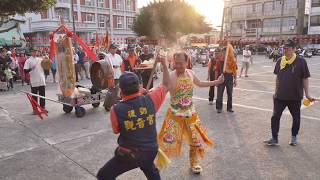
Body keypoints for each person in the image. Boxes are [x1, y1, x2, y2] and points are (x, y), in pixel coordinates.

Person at [97, 54, 170, 180]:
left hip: (131, 155)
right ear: (138, 86)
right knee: (148, 167)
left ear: (121, 90)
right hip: (151, 150)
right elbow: (166, 83)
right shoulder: (151, 99)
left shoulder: (116, 109)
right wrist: (164, 63)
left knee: (103, 175)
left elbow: (116, 131)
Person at [158, 52, 224, 174]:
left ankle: (194, 163)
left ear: (186, 62)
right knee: (166, 141)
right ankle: (156, 164)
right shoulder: (172, 75)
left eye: (180, 63)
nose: (177, 65)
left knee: (194, 140)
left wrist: (217, 82)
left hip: (190, 115)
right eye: (175, 62)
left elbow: (201, 83)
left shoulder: (191, 73)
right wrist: (164, 65)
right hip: (174, 116)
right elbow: (165, 85)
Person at [264, 40, 314, 146]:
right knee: (275, 116)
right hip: (280, 96)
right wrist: (276, 91)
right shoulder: (279, 60)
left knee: (296, 118)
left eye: (288, 48)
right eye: (284, 48)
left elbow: (305, 78)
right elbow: (278, 77)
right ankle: (274, 138)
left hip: (295, 96)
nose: (285, 50)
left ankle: (293, 136)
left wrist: (307, 94)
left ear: (294, 49)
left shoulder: (301, 61)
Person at [24, 48, 47, 113]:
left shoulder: (40, 59)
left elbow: (46, 67)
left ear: (37, 52)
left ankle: (43, 108)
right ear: (31, 52)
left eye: (35, 51)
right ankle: (35, 109)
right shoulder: (28, 61)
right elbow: (25, 71)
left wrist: (47, 60)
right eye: (33, 51)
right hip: (34, 80)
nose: (34, 53)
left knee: (42, 95)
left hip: (41, 80)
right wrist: (31, 68)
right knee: (34, 96)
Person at [216, 47, 238, 113]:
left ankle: (229, 108)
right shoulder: (219, 60)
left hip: (229, 78)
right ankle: (219, 108)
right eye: (223, 52)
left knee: (230, 94)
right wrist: (216, 81)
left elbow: (235, 71)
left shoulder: (232, 61)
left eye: (226, 52)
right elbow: (216, 71)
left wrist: (235, 79)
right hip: (221, 79)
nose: (224, 53)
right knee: (219, 94)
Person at [103, 44, 123, 111]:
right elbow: (106, 66)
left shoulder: (118, 56)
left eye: (115, 48)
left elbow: (121, 64)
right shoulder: (107, 56)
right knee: (111, 91)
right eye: (113, 48)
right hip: (111, 76)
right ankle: (107, 105)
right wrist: (113, 67)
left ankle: (112, 105)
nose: (114, 50)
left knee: (116, 91)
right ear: (110, 49)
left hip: (118, 74)